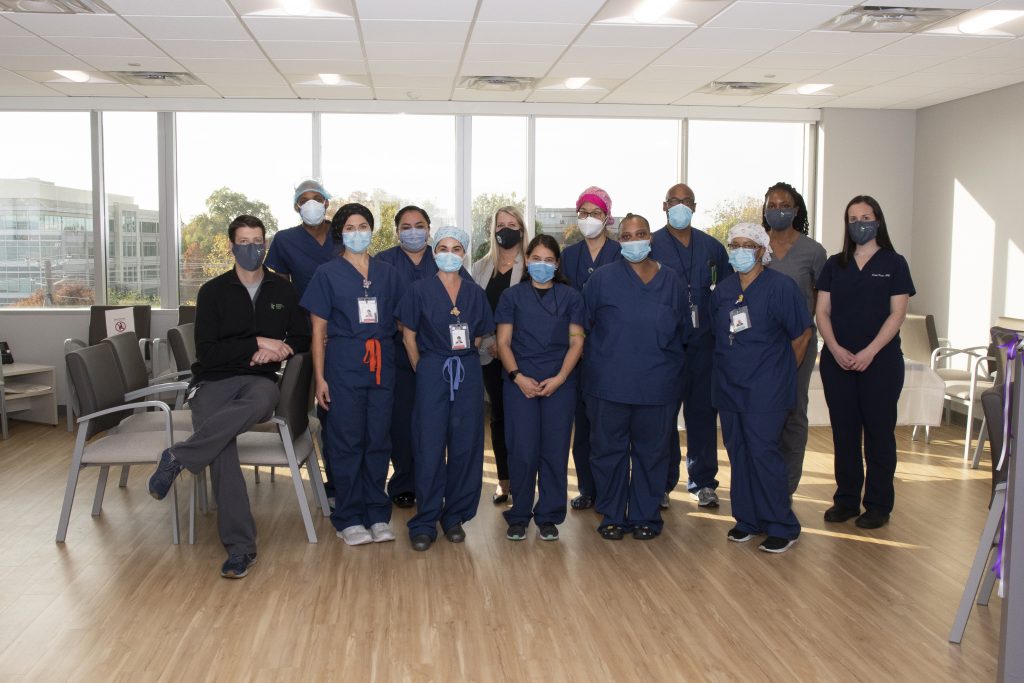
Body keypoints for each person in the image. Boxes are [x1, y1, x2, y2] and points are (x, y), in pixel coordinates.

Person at [147, 215, 311, 578]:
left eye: (258, 241)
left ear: (265, 244)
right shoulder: (213, 291)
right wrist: (254, 343)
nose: (253, 248)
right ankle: (241, 547)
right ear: (232, 246)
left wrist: (278, 349)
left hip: (259, 382)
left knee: (259, 401)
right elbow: (207, 353)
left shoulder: (283, 290)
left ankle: (177, 456)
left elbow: (301, 338)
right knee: (221, 447)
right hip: (213, 383)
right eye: (245, 241)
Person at [301, 203, 402, 546]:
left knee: (378, 440)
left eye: (363, 226)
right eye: (350, 227)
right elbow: (318, 332)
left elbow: (404, 321)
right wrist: (320, 378)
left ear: (372, 231)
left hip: (382, 362)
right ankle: (348, 516)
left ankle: (376, 513)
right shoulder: (327, 274)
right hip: (343, 362)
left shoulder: (388, 273)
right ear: (340, 233)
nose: (357, 233)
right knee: (346, 441)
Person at [583, 213, 688, 540]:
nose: (634, 240)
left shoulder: (671, 280)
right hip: (609, 384)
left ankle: (646, 515)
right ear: (620, 240)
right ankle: (612, 513)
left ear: (650, 238)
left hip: (657, 386)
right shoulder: (601, 279)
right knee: (607, 452)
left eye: (640, 233)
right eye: (627, 236)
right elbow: (583, 328)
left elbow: (683, 330)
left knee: (653, 453)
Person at [711, 223, 812, 554]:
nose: (740, 250)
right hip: (730, 387)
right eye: (734, 244)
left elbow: (802, 334)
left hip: (767, 390)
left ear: (760, 250)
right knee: (739, 454)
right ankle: (747, 520)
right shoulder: (724, 290)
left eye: (747, 244)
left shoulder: (780, 287)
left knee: (764, 454)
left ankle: (782, 524)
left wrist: (782, 374)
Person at [816, 195, 914, 530]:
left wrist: (869, 352)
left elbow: (897, 314)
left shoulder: (894, 263)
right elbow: (822, 312)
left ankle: (877, 504)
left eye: (866, 216)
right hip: (837, 362)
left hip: (881, 363)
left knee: (878, 435)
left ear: (878, 220)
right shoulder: (834, 264)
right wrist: (835, 348)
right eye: (853, 218)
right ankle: (845, 500)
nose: (860, 223)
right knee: (844, 434)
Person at [397, 227, 495, 551]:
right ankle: (425, 520)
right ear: (433, 251)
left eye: (456, 248)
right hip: (431, 369)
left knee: (466, 444)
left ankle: (455, 517)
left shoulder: (474, 293)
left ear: (464, 253)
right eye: (443, 247)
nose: (449, 253)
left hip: (466, 369)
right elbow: (409, 335)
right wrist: (422, 367)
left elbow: (478, 336)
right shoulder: (418, 290)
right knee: (429, 444)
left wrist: (461, 357)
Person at [495, 234, 585, 541]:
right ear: (527, 261)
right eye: (536, 259)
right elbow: (503, 342)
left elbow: (577, 342)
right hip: (520, 382)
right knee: (522, 449)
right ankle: (519, 513)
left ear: (557, 264)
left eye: (548, 260)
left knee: (554, 450)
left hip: (560, 382)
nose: (542, 265)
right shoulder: (512, 297)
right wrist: (518, 376)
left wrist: (560, 378)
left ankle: (549, 515)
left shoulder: (571, 297)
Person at [651, 182, 731, 510]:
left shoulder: (712, 247)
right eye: (674, 201)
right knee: (663, 417)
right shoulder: (651, 244)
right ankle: (662, 483)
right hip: (665, 346)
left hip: (704, 345)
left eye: (686, 201)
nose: (680, 206)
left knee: (701, 414)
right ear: (664, 205)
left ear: (695, 207)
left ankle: (703, 482)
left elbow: (726, 293)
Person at [264, 178, 343, 504]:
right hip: (305, 331)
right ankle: (324, 475)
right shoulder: (285, 240)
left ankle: (343, 478)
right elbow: (279, 287)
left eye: (318, 198)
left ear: (327, 203)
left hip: (343, 332)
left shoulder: (343, 234)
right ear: (297, 206)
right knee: (311, 403)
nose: (311, 204)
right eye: (304, 199)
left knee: (336, 408)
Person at [761, 182, 828, 496]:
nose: (778, 210)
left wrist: (804, 337)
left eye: (784, 204)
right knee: (761, 413)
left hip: (798, 342)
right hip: (760, 346)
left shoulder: (813, 252)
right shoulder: (756, 247)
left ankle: (785, 487)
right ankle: (762, 481)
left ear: (796, 209)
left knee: (792, 411)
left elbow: (819, 301)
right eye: (771, 205)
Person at [560, 186, 621, 511]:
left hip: (613, 353)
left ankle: (612, 490)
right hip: (577, 353)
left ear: (607, 216)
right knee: (582, 426)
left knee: (609, 428)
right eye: (583, 213)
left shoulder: (621, 253)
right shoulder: (569, 256)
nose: (588, 219)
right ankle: (587, 487)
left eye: (595, 213)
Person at [471, 206, 527, 506]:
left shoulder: (531, 265)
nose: (506, 229)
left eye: (512, 224)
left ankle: (523, 481)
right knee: (499, 419)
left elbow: (535, 312)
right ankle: (504, 482)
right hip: (487, 356)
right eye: (500, 224)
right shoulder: (480, 268)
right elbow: (473, 310)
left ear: (521, 228)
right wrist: (491, 342)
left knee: (521, 420)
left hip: (521, 356)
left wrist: (507, 342)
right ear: (492, 230)